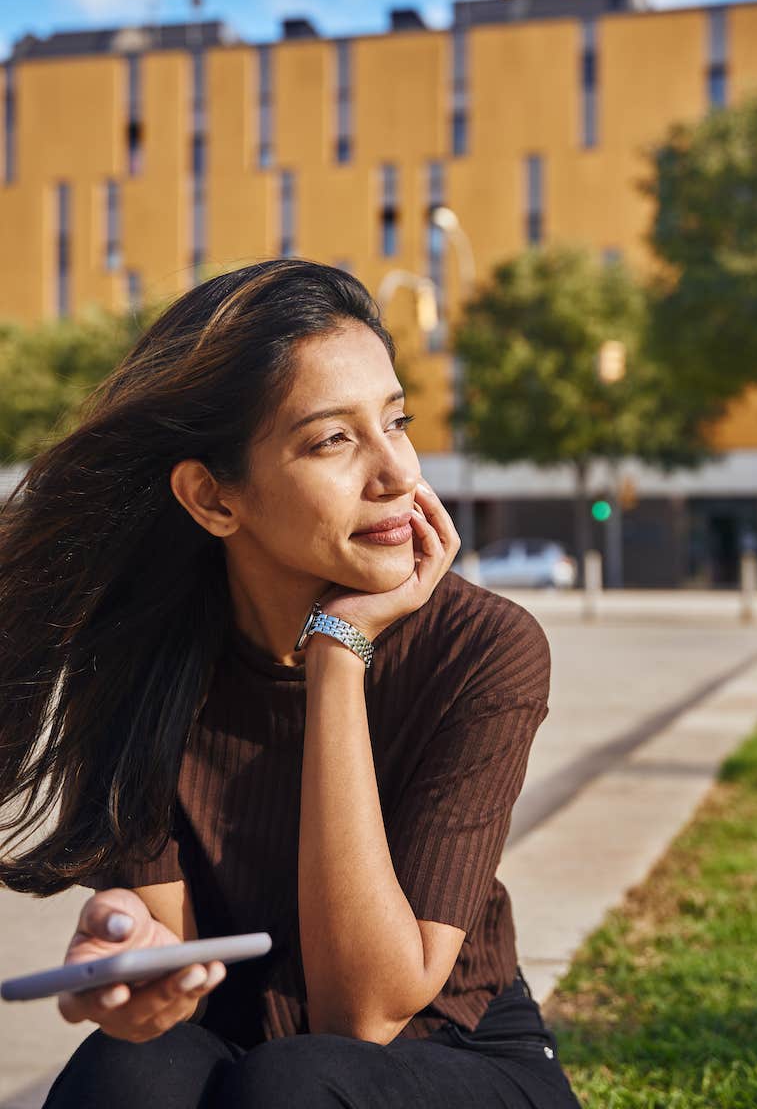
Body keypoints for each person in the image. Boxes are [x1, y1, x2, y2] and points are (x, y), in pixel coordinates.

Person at [0, 259, 582, 1108]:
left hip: (456, 1059)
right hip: (242, 1053)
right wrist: (133, 956)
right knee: (122, 1073)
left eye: (396, 421)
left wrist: (339, 650)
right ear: (212, 498)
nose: (396, 475)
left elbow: (365, 1010)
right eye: (333, 439)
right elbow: (183, 977)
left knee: (298, 1081)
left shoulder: (486, 649)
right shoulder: (139, 652)